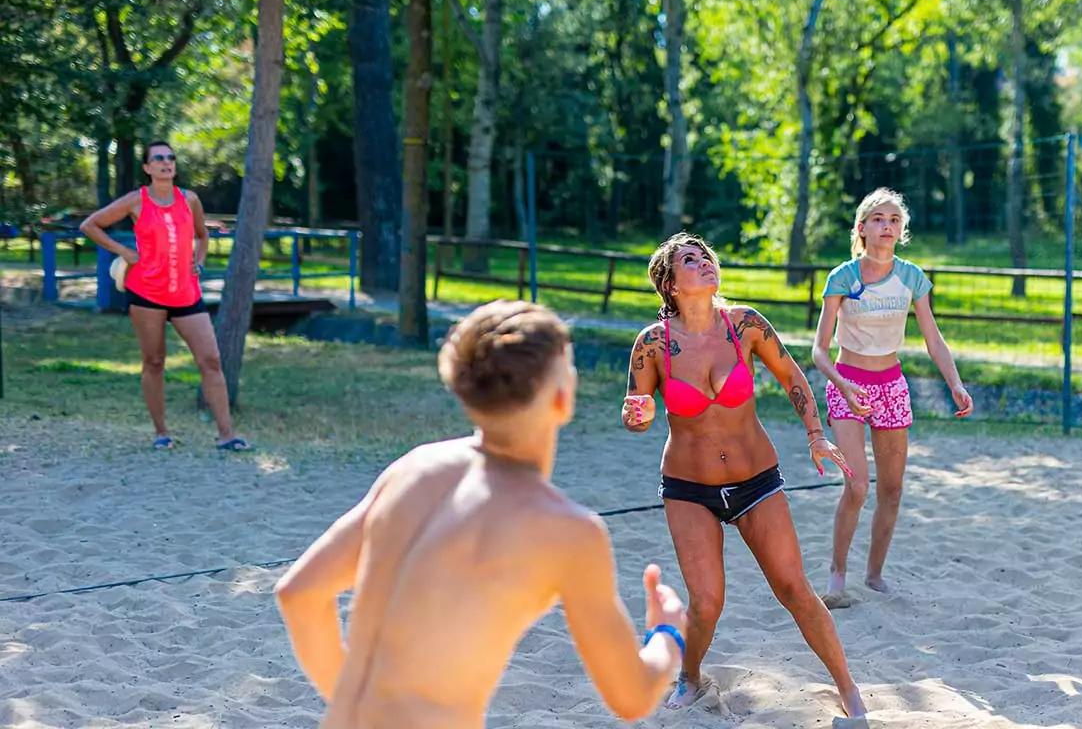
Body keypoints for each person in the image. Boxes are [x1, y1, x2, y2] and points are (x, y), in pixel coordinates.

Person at [275, 300, 688, 728]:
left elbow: (299, 594)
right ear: (563, 399)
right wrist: (668, 634)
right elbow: (632, 696)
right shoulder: (567, 531)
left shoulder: (414, 467)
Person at [622, 232, 867, 718]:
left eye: (706, 256)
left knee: (795, 589)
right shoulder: (652, 346)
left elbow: (793, 377)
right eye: (690, 260)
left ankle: (848, 690)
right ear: (669, 284)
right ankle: (690, 677)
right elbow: (637, 410)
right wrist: (639, 417)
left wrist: (816, 434)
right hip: (689, 489)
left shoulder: (745, 325)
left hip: (756, 480)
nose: (705, 263)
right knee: (707, 602)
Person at [812, 188, 974, 609]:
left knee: (893, 489)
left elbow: (933, 339)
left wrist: (954, 383)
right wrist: (844, 386)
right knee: (857, 485)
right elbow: (819, 351)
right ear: (862, 227)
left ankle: (875, 573)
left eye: (894, 221)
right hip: (847, 382)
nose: (887, 226)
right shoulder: (842, 277)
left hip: (892, 385)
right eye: (879, 219)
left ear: (901, 231)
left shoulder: (912, 277)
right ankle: (836, 576)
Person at [80, 140, 250, 452]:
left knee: (211, 360)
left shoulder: (190, 199)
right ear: (147, 168)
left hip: (186, 293)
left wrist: (199, 261)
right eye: (158, 158)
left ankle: (227, 435)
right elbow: (90, 225)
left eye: (170, 157)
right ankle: (161, 433)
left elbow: (202, 234)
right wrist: (123, 252)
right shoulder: (135, 201)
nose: (166, 162)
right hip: (146, 293)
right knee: (154, 361)